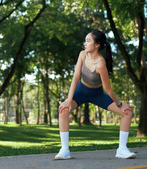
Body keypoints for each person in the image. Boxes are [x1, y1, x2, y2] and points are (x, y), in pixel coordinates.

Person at [55, 29, 136, 160]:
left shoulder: (101, 63)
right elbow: (76, 77)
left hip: (97, 95)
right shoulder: (82, 54)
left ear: (97, 45)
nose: (85, 43)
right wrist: (68, 100)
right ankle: (64, 150)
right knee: (63, 110)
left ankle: (122, 149)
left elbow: (108, 89)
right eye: (85, 40)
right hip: (81, 92)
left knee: (127, 112)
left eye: (88, 41)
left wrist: (120, 104)